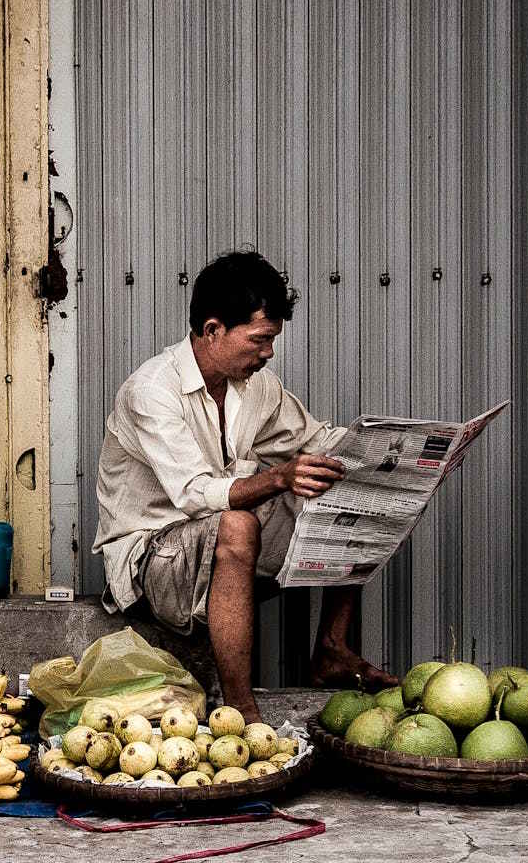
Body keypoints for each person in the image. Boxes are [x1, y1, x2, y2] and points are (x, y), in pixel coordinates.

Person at [93, 250, 397, 722]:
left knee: (338, 484)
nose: (268, 352)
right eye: (260, 339)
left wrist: (396, 451)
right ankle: (241, 709)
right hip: (152, 559)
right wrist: (278, 476)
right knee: (236, 524)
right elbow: (195, 494)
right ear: (213, 330)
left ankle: (332, 649)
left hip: (217, 544)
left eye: (272, 340)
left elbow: (317, 441)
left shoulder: (258, 386)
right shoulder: (151, 390)